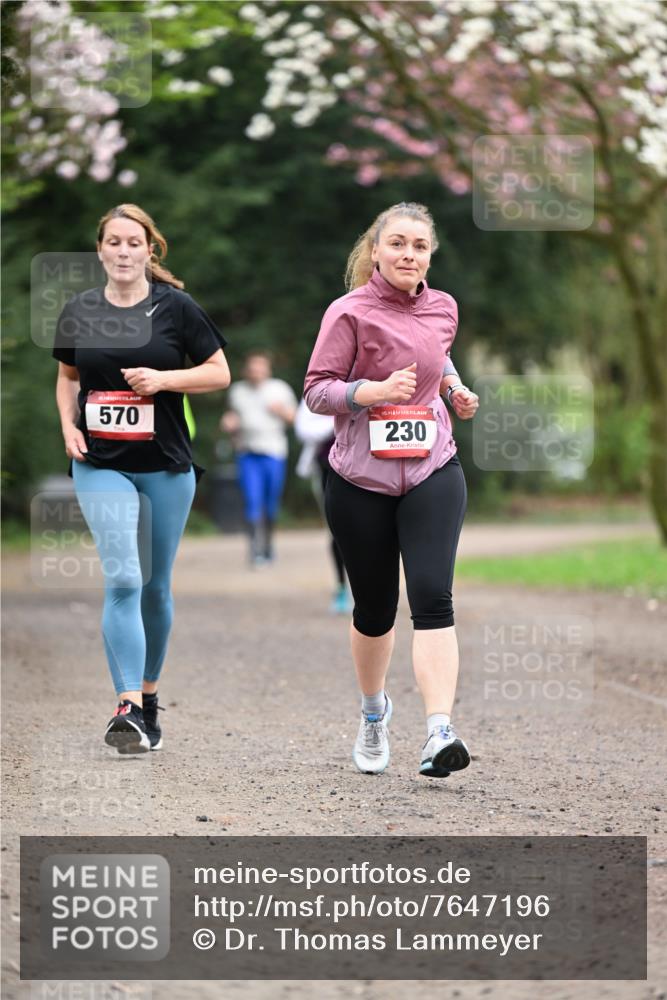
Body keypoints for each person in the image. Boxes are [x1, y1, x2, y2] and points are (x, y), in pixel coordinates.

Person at [304, 201, 479, 778]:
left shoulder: (444, 307)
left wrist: (454, 388)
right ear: (376, 250)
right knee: (375, 609)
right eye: (398, 243)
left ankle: (438, 731)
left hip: (433, 467)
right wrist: (371, 393)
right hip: (361, 480)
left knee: (433, 597)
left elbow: (439, 354)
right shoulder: (348, 312)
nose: (409, 254)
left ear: (431, 254)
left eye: (420, 246)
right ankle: (374, 713)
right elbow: (317, 391)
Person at [53, 203, 230, 754]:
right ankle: (126, 705)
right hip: (100, 462)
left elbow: (219, 372)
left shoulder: (176, 308)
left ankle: (150, 698)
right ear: (100, 249)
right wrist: (68, 426)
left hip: (166, 466)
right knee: (125, 577)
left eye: (135, 243)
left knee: (155, 587)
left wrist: (164, 379)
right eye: (115, 242)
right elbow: (66, 377)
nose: (125, 252)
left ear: (149, 250)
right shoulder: (79, 309)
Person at [220, 352, 297, 565]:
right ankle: (255, 550)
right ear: (247, 370)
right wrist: (229, 424)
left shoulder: (279, 389)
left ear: (267, 369)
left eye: (260, 368)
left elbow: (295, 419)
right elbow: (231, 418)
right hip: (247, 453)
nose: (256, 372)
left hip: (274, 453)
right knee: (252, 500)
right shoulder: (238, 391)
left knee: (271, 503)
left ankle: (269, 545)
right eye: (252, 368)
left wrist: (281, 411)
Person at [294, 398, 353, 614]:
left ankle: (368, 588)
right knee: (337, 530)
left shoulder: (375, 378)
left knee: (368, 529)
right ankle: (341, 588)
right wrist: (340, 418)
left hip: (367, 466)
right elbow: (304, 428)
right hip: (328, 468)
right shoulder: (323, 384)